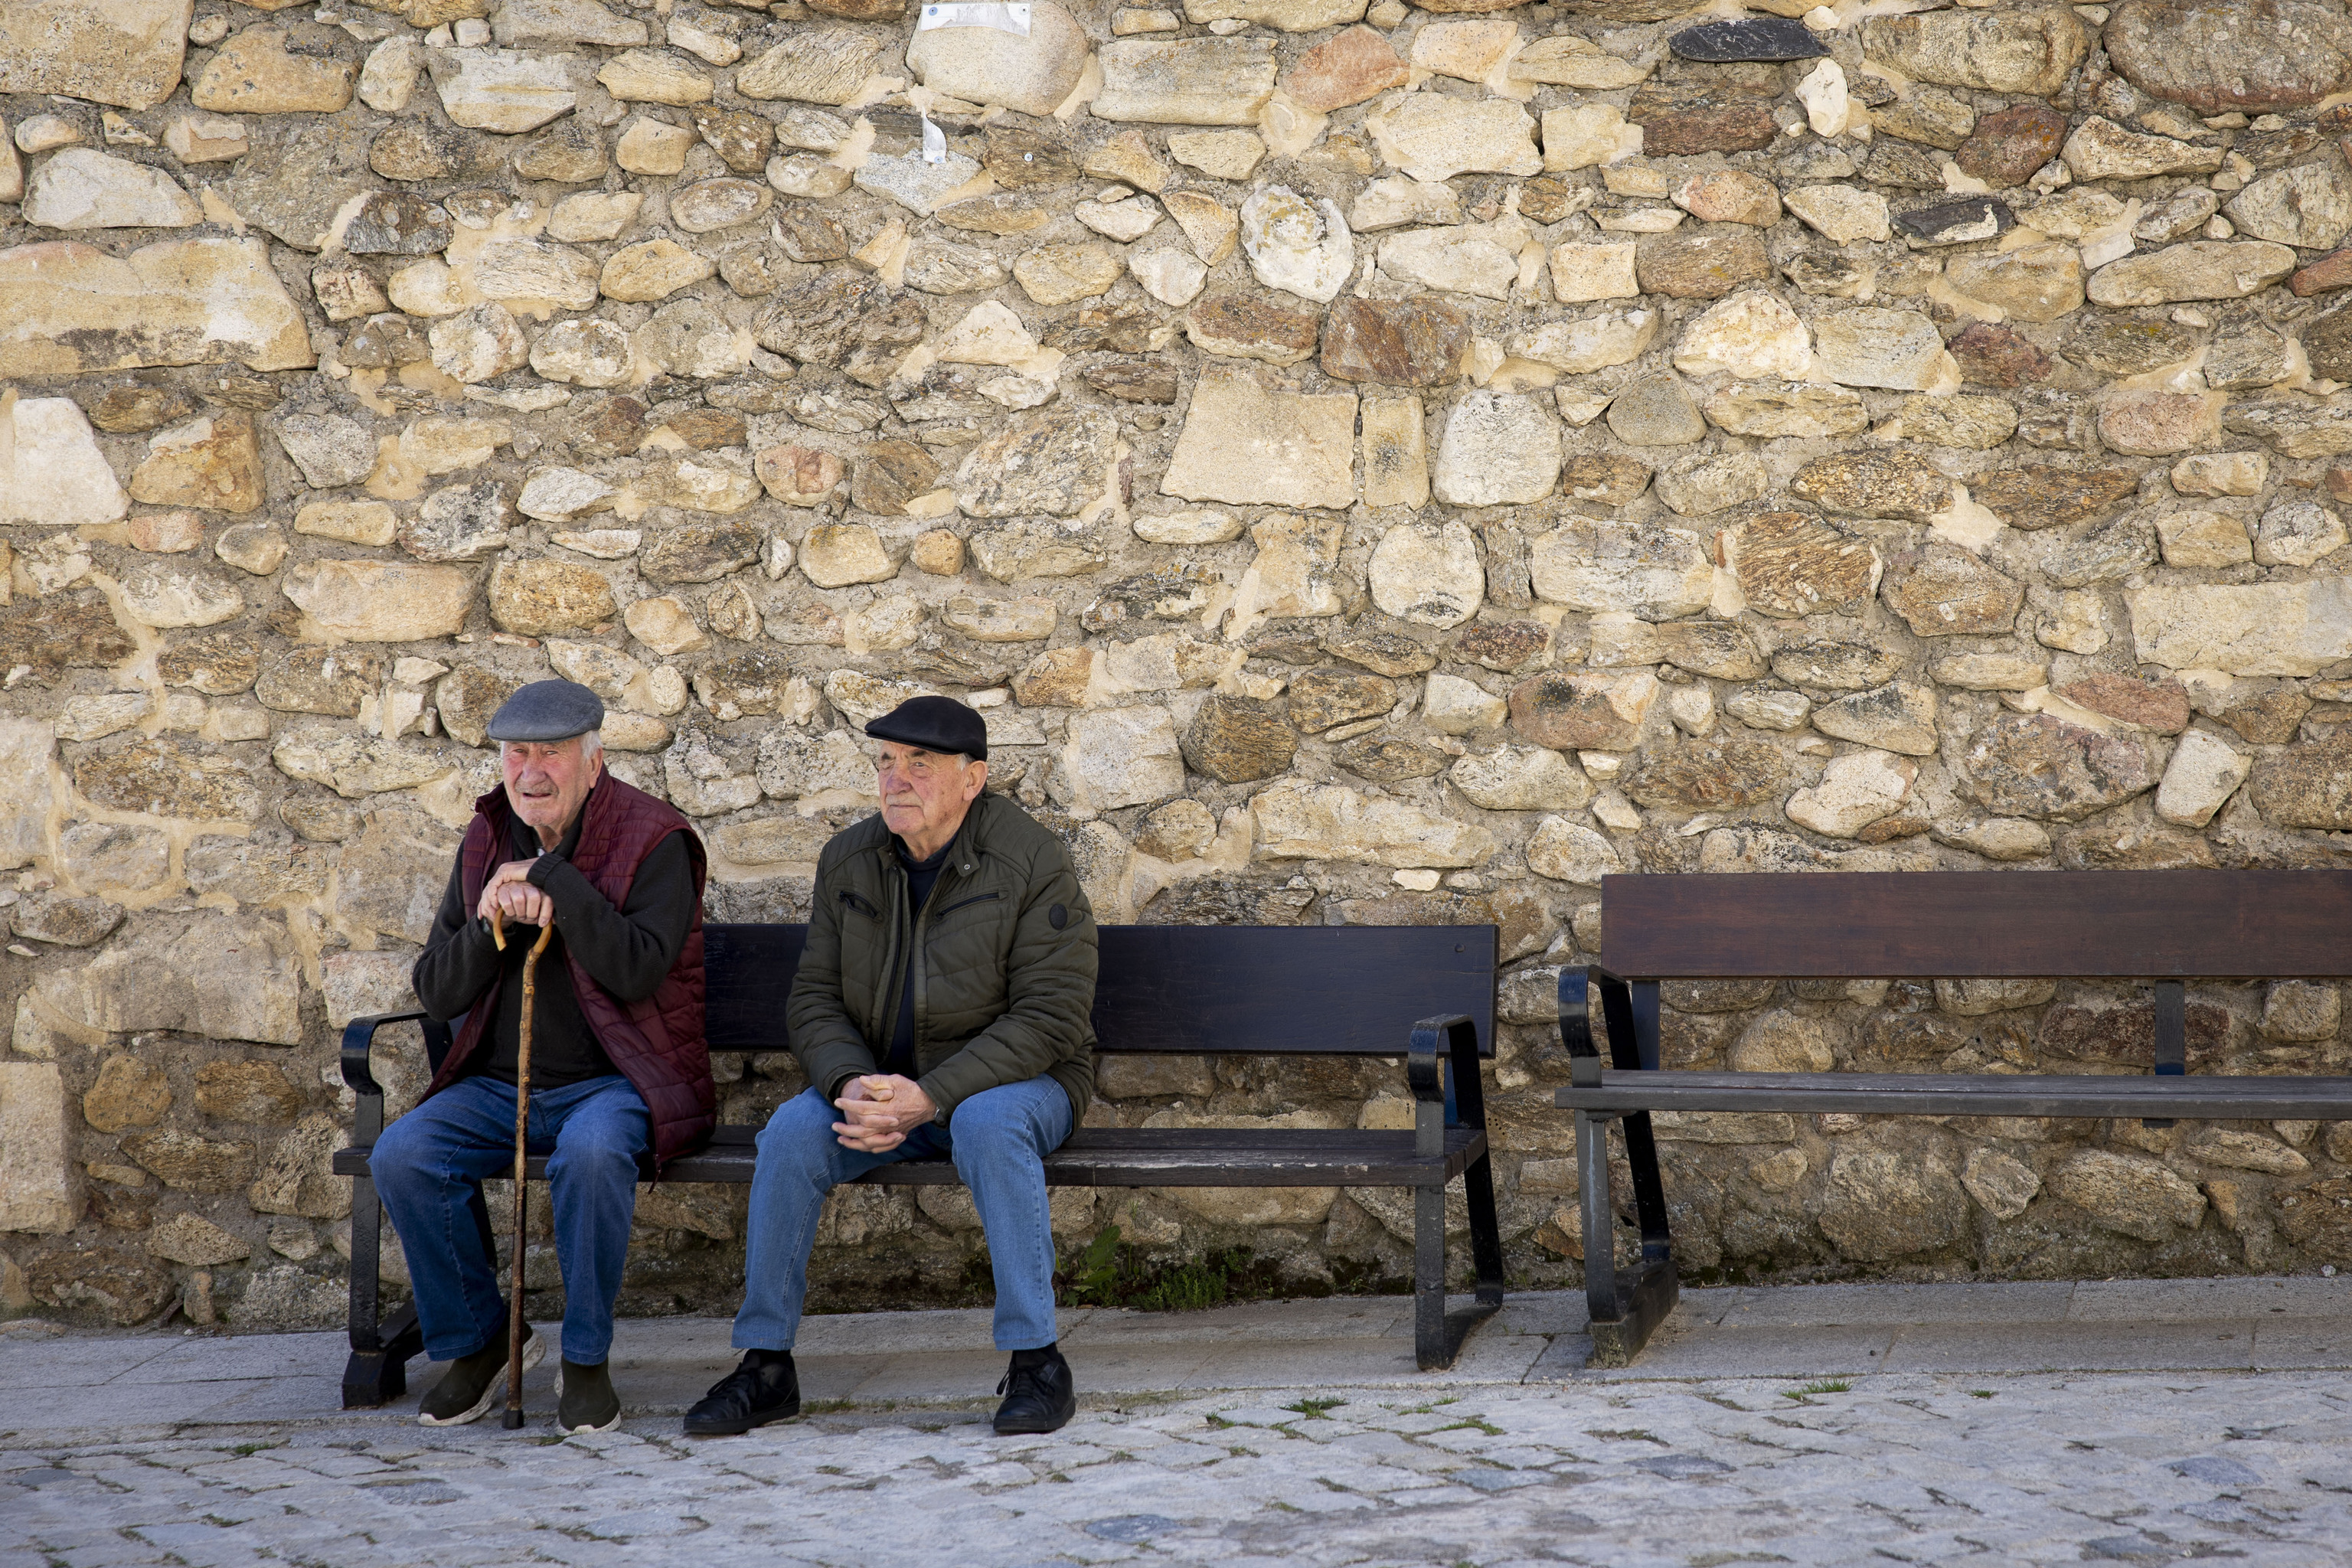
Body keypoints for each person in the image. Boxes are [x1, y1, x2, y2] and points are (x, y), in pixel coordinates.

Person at [686, 695, 1098, 1439]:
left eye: (920, 763)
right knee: (790, 1130)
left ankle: (1038, 1359)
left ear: (973, 779)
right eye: (886, 762)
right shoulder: (851, 859)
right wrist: (850, 1083)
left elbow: (1051, 1018)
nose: (895, 779)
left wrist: (931, 1094)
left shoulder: (1030, 859)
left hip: (1016, 1087)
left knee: (988, 1121)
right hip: (882, 1088)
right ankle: (766, 1363)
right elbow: (814, 998)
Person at [374, 678, 713, 1435]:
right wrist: (491, 923)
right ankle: (482, 1339)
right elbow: (434, 985)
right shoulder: (488, 837)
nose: (530, 771)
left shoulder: (656, 838)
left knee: (591, 1156)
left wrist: (555, 882)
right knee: (405, 1152)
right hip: (500, 1085)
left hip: (621, 1080)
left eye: (551, 753)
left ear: (593, 761)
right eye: (517, 753)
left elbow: (638, 971)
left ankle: (586, 1358)